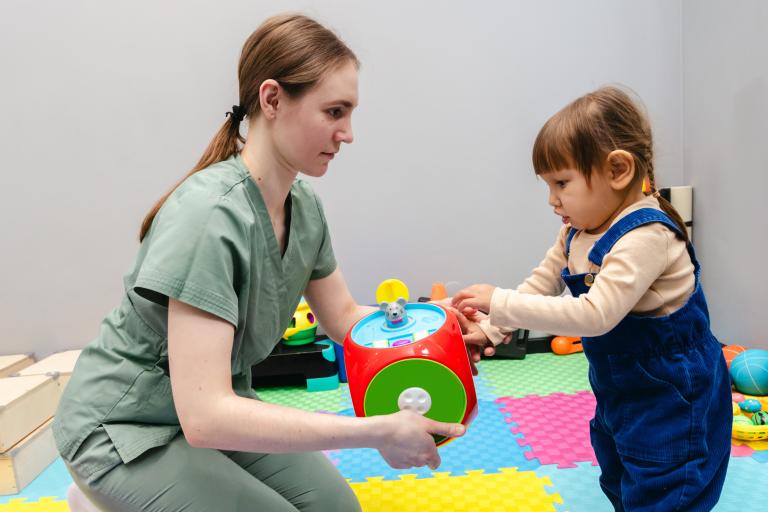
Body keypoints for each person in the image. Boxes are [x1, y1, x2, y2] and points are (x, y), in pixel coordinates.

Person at [53, 14, 464, 512]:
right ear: (272, 100)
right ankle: (107, 498)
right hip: (125, 429)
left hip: (207, 412)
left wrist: (439, 332)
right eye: (335, 111)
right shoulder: (208, 217)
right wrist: (374, 430)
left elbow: (346, 321)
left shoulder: (304, 206)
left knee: (338, 508)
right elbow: (206, 416)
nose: (348, 133)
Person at [451, 86, 731, 511]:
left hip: (674, 396)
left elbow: (596, 315)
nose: (551, 199)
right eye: (548, 185)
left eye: (561, 183)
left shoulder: (646, 236)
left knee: (666, 488)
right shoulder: (576, 232)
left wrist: (500, 301)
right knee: (621, 477)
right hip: (621, 393)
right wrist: (491, 328)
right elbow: (542, 282)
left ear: (618, 170)